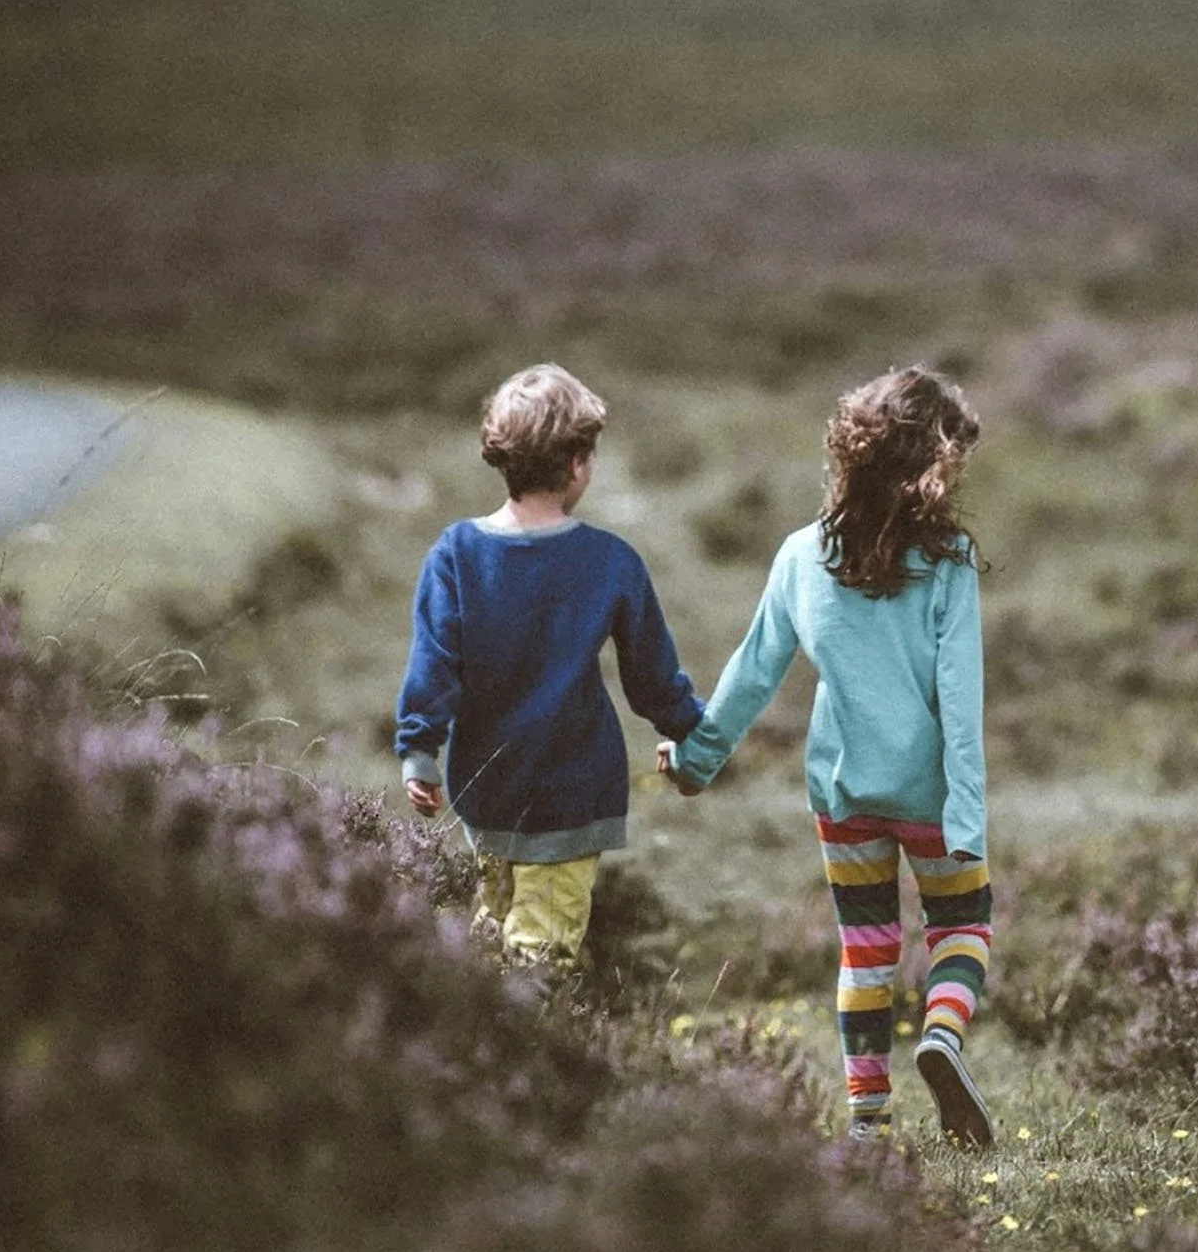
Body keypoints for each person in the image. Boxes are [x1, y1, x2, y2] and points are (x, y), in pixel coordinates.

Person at [661, 365, 993, 1149]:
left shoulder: (798, 557)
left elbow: (750, 673)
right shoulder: (948, 561)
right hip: (928, 794)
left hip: (842, 791)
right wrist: (966, 814)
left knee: (866, 948)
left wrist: (697, 759)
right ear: (928, 468)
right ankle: (941, 1035)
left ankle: (868, 1124)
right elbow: (961, 696)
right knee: (962, 926)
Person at [397, 362, 703, 968]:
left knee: (491, 940)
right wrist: (693, 732)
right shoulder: (612, 561)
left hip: (486, 788)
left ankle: (483, 1049)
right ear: (578, 462)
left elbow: (433, 664)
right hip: (574, 790)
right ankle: (518, 1050)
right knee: (539, 956)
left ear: (500, 456)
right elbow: (652, 678)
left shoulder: (455, 554)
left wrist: (419, 751)